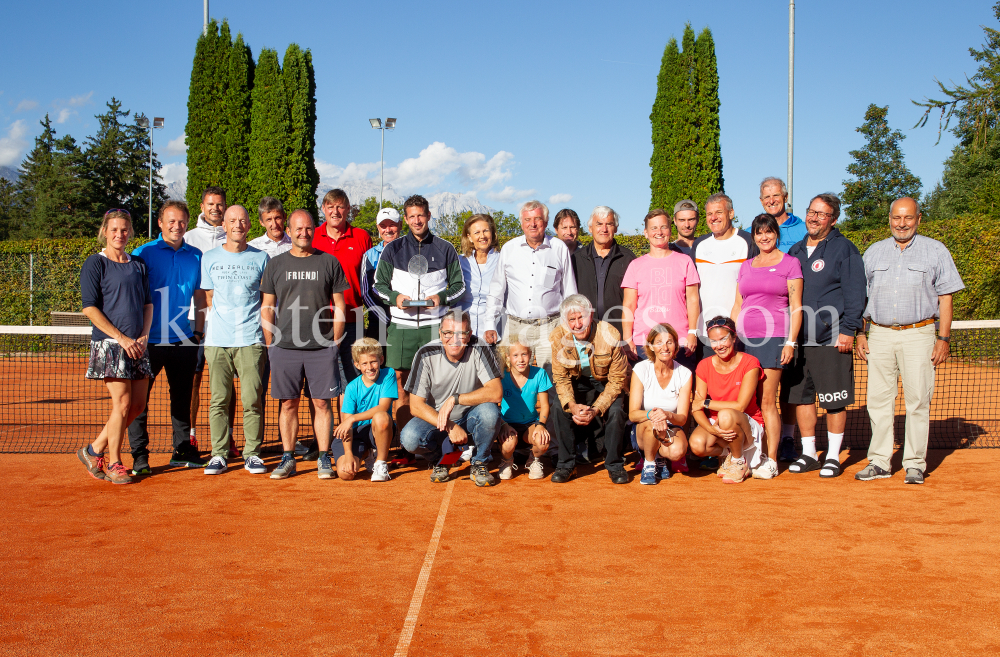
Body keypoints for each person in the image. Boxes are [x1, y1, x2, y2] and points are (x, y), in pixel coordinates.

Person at [855, 197, 965, 484]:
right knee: (878, 401)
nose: (901, 224)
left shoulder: (935, 250)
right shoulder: (874, 252)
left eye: (908, 218)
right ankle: (879, 462)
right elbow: (861, 298)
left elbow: (946, 297)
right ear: (889, 219)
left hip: (920, 334)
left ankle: (915, 463)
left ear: (918, 219)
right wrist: (860, 333)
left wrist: (943, 338)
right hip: (878, 334)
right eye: (896, 218)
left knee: (918, 401)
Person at [781, 193, 865, 478]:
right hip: (798, 340)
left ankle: (832, 456)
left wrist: (849, 330)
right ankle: (808, 454)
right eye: (811, 212)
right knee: (802, 399)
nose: (814, 218)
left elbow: (856, 293)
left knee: (834, 400)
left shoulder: (845, 249)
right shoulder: (794, 250)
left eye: (822, 214)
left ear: (833, 219)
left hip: (831, 339)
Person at [260, 209, 348, 480]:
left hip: (321, 348)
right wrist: (271, 345)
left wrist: (334, 343)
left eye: (308, 228)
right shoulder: (275, 264)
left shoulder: (329, 262)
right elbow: (267, 307)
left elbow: (341, 305)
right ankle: (288, 458)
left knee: (322, 404)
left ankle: (324, 458)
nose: (303, 233)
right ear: (289, 230)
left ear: (314, 229)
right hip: (284, 347)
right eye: (298, 229)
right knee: (288, 404)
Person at [374, 195, 466, 432]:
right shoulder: (392, 249)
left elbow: (460, 286)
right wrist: (396, 298)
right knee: (402, 386)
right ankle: (407, 445)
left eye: (420, 215)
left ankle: (437, 441)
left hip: (435, 326)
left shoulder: (445, 248)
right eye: (411, 216)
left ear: (428, 216)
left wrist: (440, 298)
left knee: (438, 385)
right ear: (406, 219)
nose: (416, 220)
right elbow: (378, 285)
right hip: (401, 328)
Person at [126, 201, 205, 475]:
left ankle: (182, 449)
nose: (177, 226)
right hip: (147, 342)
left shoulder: (195, 255)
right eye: (171, 221)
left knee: (182, 398)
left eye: (182, 221)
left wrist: (198, 332)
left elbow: (199, 295)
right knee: (139, 402)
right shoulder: (142, 253)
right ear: (160, 223)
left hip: (183, 339)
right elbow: (131, 296)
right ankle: (139, 456)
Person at [77, 209, 153, 485]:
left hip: (138, 346)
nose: (119, 234)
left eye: (124, 230)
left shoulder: (138, 264)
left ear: (130, 232)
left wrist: (143, 336)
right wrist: (121, 338)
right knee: (121, 403)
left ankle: (93, 449)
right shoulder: (95, 263)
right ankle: (115, 462)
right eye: (114, 230)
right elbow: (89, 307)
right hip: (110, 345)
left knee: (137, 405)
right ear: (105, 232)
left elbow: (148, 305)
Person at [195, 205, 270, 476]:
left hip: (251, 340)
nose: (238, 225)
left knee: (252, 400)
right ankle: (219, 454)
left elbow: (267, 302)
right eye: (232, 221)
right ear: (224, 226)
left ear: (250, 225)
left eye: (242, 220)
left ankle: (252, 454)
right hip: (217, 341)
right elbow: (206, 297)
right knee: (219, 400)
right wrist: (202, 333)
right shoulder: (209, 257)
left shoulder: (262, 258)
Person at [730, 213, 803, 479]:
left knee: (767, 400)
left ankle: (771, 460)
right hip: (744, 341)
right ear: (754, 236)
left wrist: (791, 342)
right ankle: (752, 456)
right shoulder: (746, 266)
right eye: (759, 233)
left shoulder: (790, 264)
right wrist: (730, 336)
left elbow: (796, 307)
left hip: (774, 339)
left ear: (776, 234)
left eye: (769, 232)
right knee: (747, 400)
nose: (764, 237)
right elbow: (738, 305)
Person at [401, 311, 504, 487]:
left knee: (489, 413)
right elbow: (416, 406)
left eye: (461, 334)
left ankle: (479, 462)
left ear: (469, 334)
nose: (454, 339)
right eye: (448, 333)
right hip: (438, 420)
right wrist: (450, 426)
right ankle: (442, 460)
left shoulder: (480, 347)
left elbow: (495, 392)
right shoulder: (425, 353)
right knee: (409, 438)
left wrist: (455, 399)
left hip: (471, 415)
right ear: (441, 334)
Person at [484, 200, 577, 371]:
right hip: (515, 327)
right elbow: (497, 290)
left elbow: (570, 292)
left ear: (546, 222)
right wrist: (490, 323)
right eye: (527, 220)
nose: (532, 224)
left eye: (537, 219)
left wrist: (569, 327)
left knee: (551, 379)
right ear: (521, 223)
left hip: (549, 328)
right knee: (511, 381)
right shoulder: (509, 249)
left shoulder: (559, 248)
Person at [549, 294, 629, 484]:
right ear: (565, 322)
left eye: (581, 318)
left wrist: (596, 409)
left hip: (605, 381)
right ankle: (566, 464)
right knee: (559, 408)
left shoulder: (610, 335)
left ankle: (615, 465)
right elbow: (560, 378)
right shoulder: (557, 337)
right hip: (577, 381)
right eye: (572, 320)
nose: (578, 325)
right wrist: (572, 404)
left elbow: (617, 380)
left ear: (590, 315)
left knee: (616, 410)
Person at [621, 208, 701, 372]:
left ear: (670, 231)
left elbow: (693, 300)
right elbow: (629, 305)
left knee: (681, 394)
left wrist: (693, 332)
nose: (659, 232)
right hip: (644, 344)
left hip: (680, 342)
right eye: (654, 228)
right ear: (646, 232)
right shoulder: (635, 266)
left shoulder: (684, 261)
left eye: (663, 227)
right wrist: (627, 338)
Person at [688, 316, 765, 484]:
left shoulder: (750, 363)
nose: (719, 345)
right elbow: (696, 407)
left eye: (723, 339)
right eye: (714, 341)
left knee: (726, 415)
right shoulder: (704, 365)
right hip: (718, 425)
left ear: (734, 337)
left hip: (747, 424)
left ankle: (739, 462)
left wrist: (706, 403)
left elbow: (740, 406)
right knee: (697, 445)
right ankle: (729, 454)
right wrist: (712, 429)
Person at [184, 186, 229, 451]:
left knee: (226, 380)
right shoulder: (188, 238)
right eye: (210, 204)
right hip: (196, 319)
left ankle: (229, 435)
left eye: (220, 204)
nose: (215, 208)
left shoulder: (235, 234)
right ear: (202, 206)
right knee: (194, 379)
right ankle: (190, 434)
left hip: (227, 323)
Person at [313, 188, 373, 386]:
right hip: (319, 320)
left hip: (352, 319)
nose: (335, 211)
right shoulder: (313, 236)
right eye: (330, 207)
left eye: (340, 206)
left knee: (354, 380)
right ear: (323, 209)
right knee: (320, 381)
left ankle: (352, 418)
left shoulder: (362, 237)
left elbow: (368, 278)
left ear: (348, 209)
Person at [690, 193, 759, 354]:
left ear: (731, 213)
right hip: (705, 331)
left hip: (739, 331)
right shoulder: (699, 244)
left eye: (719, 212)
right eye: (709, 214)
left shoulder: (747, 241)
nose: (713, 217)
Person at [627, 323, 693, 485]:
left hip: (671, 427)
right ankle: (650, 464)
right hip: (644, 428)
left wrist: (668, 414)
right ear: (651, 346)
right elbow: (633, 414)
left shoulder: (685, 373)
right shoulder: (641, 369)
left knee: (677, 452)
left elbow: (682, 418)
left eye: (669, 342)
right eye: (659, 342)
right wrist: (653, 415)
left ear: (676, 345)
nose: (665, 347)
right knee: (653, 423)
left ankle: (659, 456)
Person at [334, 338, 398, 482]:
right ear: (357, 365)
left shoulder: (388, 374)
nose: (369, 367)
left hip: (378, 430)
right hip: (355, 434)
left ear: (381, 360)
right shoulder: (351, 388)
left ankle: (380, 463)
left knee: (381, 416)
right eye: (364, 363)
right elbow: (347, 427)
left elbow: (383, 407)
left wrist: (352, 418)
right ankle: (366, 454)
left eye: (373, 361)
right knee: (346, 474)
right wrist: (349, 453)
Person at [572, 206, 636, 338]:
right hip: (585, 333)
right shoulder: (576, 259)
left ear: (616, 228)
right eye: (599, 224)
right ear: (590, 228)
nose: (604, 229)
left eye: (609, 224)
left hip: (619, 333)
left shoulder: (629, 259)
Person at [497, 338, 553, 480]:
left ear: (531, 355)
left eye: (524, 354)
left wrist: (541, 425)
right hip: (507, 425)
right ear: (508, 357)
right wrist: (503, 424)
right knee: (508, 445)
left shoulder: (540, 374)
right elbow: (493, 405)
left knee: (543, 442)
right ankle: (507, 461)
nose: (520, 359)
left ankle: (533, 460)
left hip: (530, 425)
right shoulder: (501, 376)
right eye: (515, 355)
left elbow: (545, 405)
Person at [360, 207, 403, 344]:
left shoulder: (413, 252)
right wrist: (386, 319)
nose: (388, 230)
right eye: (383, 226)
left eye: (392, 225)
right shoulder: (370, 255)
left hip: (406, 321)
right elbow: (366, 293)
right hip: (379, 322)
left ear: (400, 225)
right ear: (378, 228)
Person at [458, 213, 504, 339]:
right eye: (477, 232)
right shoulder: (460, 261)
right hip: (464, 330)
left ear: (492, 234)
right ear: (469, 237)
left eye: (486, 231)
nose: (482, 236)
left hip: (494, 329)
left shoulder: (502, 260)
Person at [759, 177, 807, 253]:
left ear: (786, 197)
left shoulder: (805, 230)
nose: (771, 201)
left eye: (776, 195)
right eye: (767, 197)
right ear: (761, 201)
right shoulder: (751, 233)